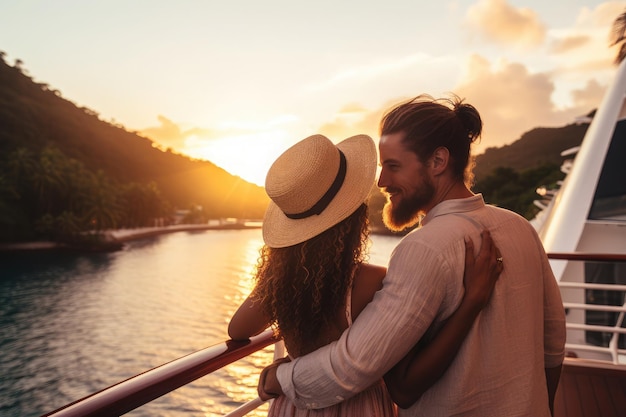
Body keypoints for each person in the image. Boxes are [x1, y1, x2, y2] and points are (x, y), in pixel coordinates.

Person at [258, 95, 567, 416]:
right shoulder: (520, 227)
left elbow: (354, 366)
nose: (381, 182)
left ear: (437, 162)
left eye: (393, 166)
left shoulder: (424, 247)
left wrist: (278, 377)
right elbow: (554, 343)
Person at [228, 133, 503, 416]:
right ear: (353, 220)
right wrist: (471, 302)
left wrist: (277, 272)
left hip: (294, 405)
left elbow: (238, 329)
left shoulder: (281, 284)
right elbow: (404, 376)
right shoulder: (374, 282)